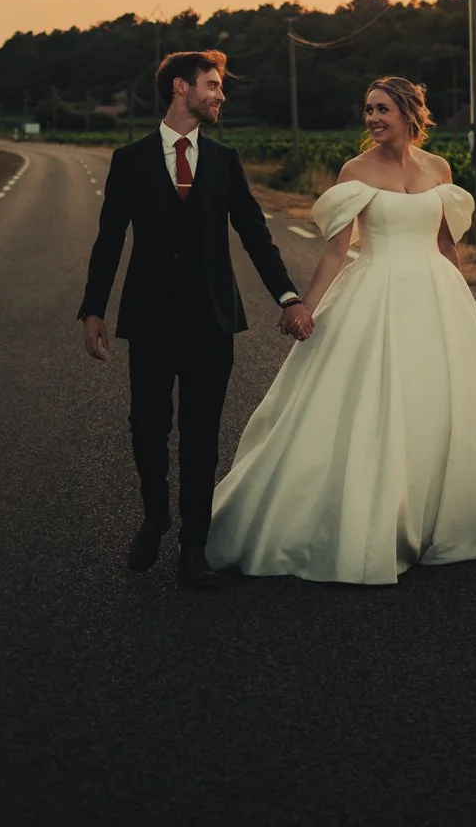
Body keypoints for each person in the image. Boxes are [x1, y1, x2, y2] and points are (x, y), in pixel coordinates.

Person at [206, 76, 476, 585]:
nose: (372, 119)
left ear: (409, 113)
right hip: (375, 288)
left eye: (382, 109)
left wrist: (464, 303)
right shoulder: (355, 170)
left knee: (445, 400)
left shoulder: (439, 168)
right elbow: (336, 251)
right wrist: (304, 306)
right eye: (368, 110)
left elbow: (447, 247)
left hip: (436, 294)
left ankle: (456, 517)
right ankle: (379, 517)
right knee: (376, 399)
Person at [77, 50, 309, 591]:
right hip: (151, 318)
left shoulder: (224, 160)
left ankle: (194, 548)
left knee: (202, 434)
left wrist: (288, 296)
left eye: (220, 87)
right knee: (148, 426)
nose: (220, 95)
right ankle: (155, 516)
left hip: (212, 319)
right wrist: (93, 309)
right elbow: (109, 240)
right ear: (181, 87)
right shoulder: (130, 160)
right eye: (212, 85)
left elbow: (254, 234)